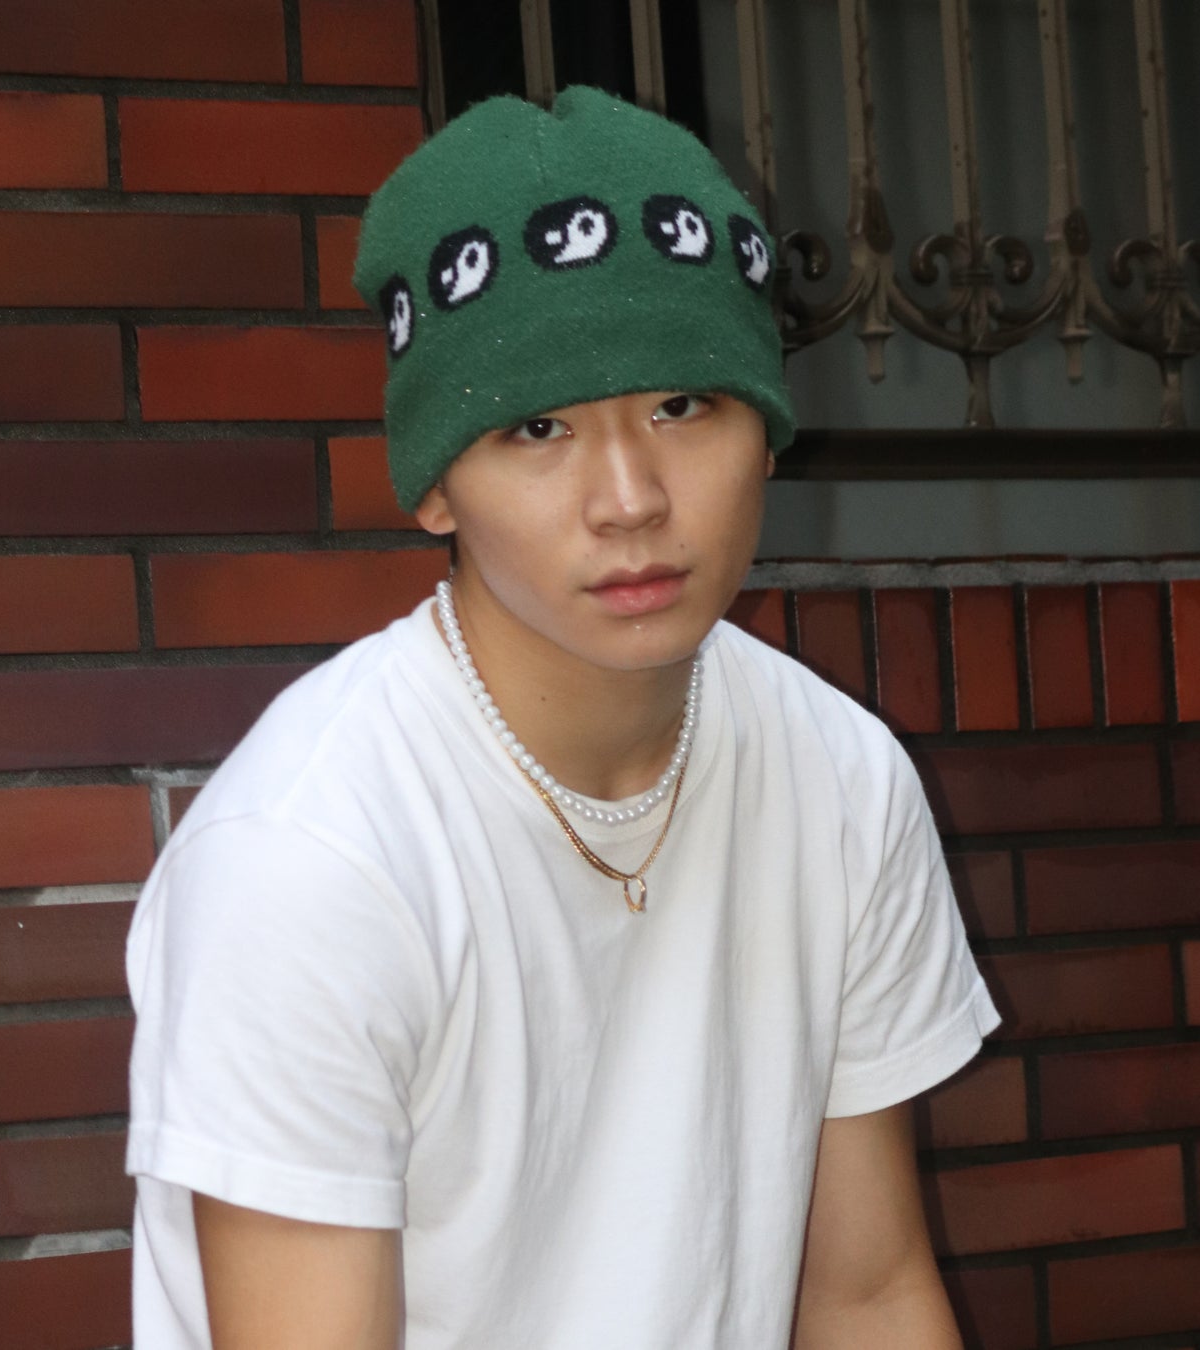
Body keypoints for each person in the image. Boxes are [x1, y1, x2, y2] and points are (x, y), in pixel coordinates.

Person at [126, 85, 998, 1348]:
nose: (631, 497)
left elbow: (862, 1295)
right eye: (538, 427)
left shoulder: (840, 775)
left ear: (766, 433)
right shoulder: (311, 858)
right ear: (435, 488)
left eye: (682, 405)